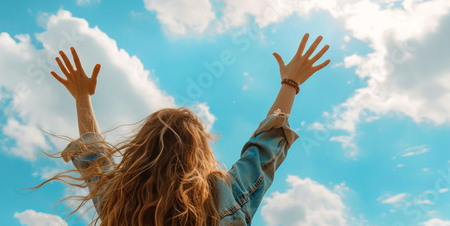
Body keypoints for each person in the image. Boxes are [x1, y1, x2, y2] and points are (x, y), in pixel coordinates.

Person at [34, 33, 330, 226]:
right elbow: (265, 147)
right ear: (199, 152)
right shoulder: (224, 195)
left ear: (140, 150)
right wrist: (290, 84)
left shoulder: (118, 201)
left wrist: (82, 97)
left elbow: (93, 156)